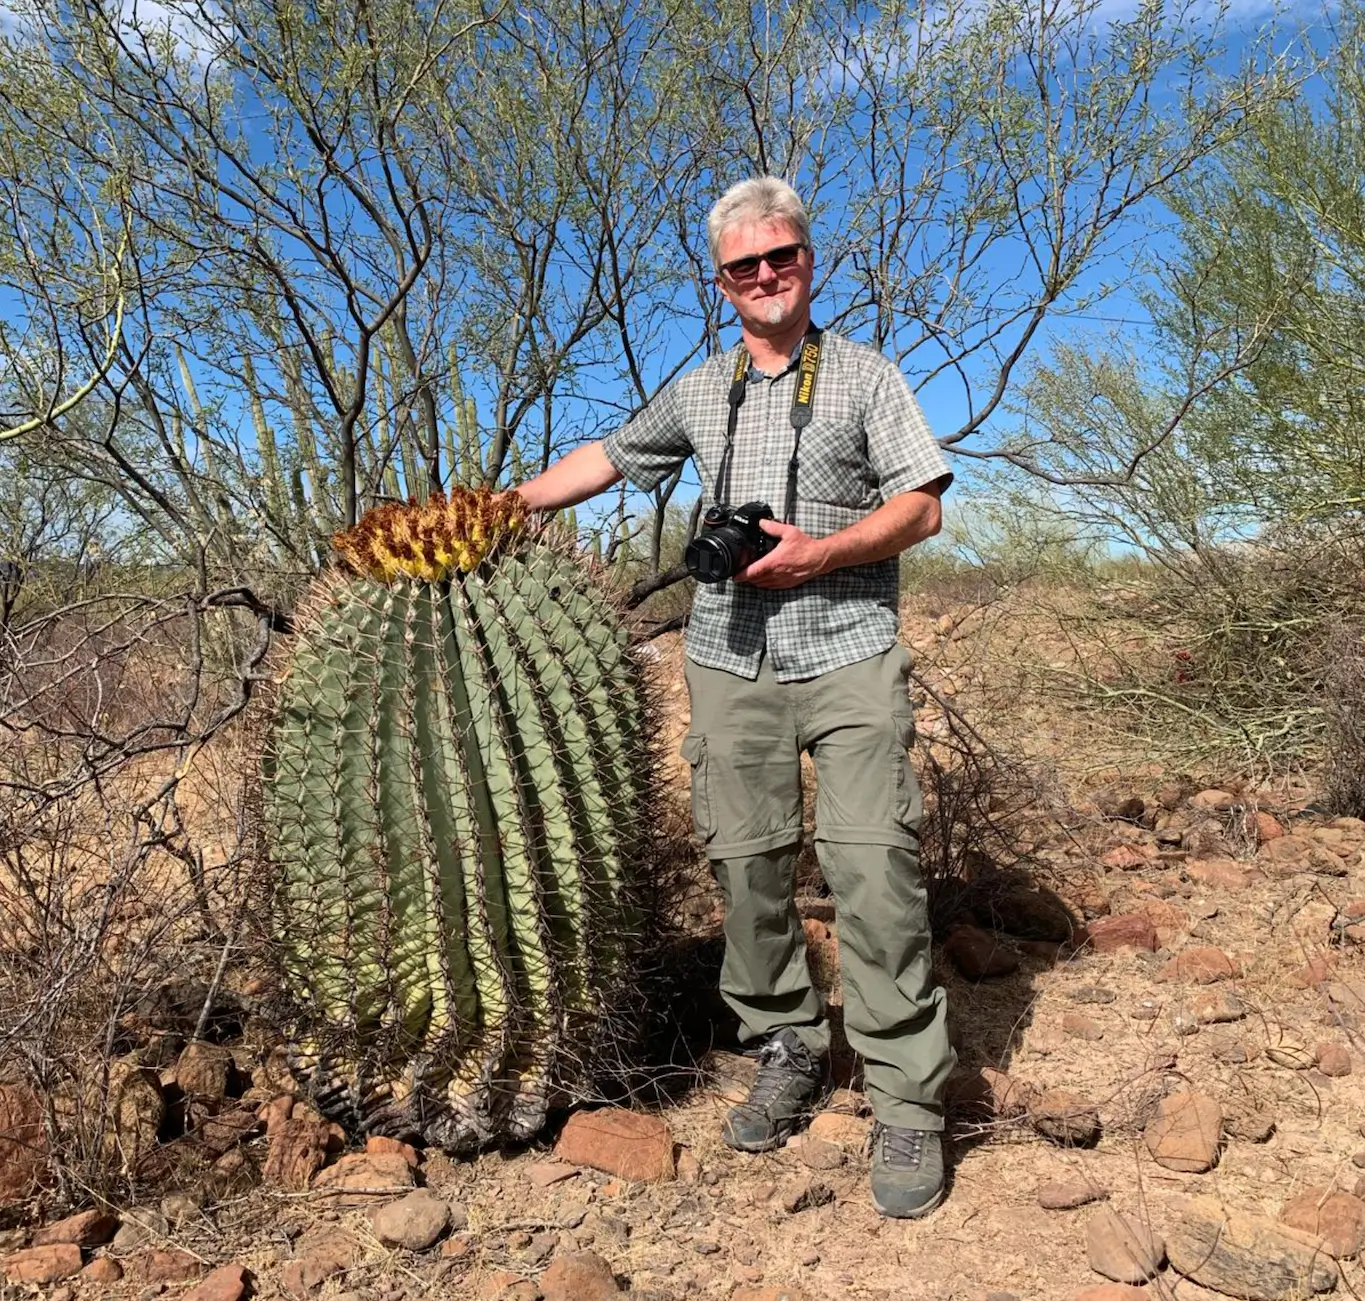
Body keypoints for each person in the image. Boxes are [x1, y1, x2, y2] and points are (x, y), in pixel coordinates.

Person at [511, 176, 956, 1218]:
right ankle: (788, 1045)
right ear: (720, 283)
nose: (765, 276)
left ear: (809, 260)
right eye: (743, 265)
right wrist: (511, 500)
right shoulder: (701, 387)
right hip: (730, 658)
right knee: (747, 873)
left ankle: (906, 1099)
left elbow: (924, 507)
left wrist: (824, 552)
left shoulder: (864, 375)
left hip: (847, 648)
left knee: (874, 872)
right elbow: (611, 456)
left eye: (781, 256)